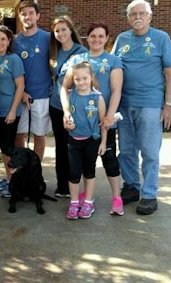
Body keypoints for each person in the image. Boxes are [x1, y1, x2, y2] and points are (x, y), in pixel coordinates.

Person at [111, 0, 171, 215]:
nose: (137, 18)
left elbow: (170, 76)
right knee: (127, 151)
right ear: (128, 17)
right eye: (133, 14)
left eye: (142, 14)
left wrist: (168, 105)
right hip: (123, 104)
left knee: (150, 152)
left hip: (150, 105)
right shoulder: (122, 39)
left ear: (150, 16)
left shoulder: (161, 38)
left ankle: (149, 195)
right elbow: (111, 69)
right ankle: (131, 186)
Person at [60, 22, 124, 216]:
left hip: (103, 118)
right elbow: (64, 88)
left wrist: (108, 116)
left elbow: (116, 90)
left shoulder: (113, 60)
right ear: (88, 38)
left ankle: (116, 197)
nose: (97, 39)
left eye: (101, 36)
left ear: (106, 38)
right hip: (79, 122)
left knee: (109, 158)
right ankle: (86, 198)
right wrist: (66, 112)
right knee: (81, 163)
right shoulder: (78, 59)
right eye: (93, 36)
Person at [47, 15, 87, 198]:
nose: (60, 33)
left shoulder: (81, 52)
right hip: (56, 106)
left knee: (75, 146)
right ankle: (62, 185)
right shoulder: (53, 51)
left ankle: (76, 184)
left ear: (70, 29)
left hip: (75, 107)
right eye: (57, 31)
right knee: (61, 146)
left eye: (63, 29)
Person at [61, 62, 107, 219]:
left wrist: (103, 143)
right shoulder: (71, 95)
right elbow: (67, 117)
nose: (81, 82)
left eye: (85, 78)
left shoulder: (97, 98)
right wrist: (68, 123)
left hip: (92, 141)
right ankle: (74, 203)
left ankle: (88, 202)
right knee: (74, 173)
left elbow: (103, 123)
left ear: (91, 77)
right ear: (73, 80)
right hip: (74, 141)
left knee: (89, 172)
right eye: (77, 79)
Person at [0, 25, 24, 198]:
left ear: (9, 41)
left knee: (9, 149)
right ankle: (9, 179)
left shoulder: (14, 59)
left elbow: (20, 86)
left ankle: (13, 183)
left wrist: (13, 110)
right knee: (4, 148)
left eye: (3, 39)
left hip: (10, 111)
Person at [13, 0, 51, 163]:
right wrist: (21, 92)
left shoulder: (48, 38)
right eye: (23, 14)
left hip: (42, 95)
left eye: (30, 13)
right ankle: (21, 170)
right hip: (20, 95)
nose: (27, 16)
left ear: (37, 16)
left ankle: (36, 170)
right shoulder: (15, 41)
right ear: (19, 17)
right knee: (19, 135)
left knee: (39, 135)